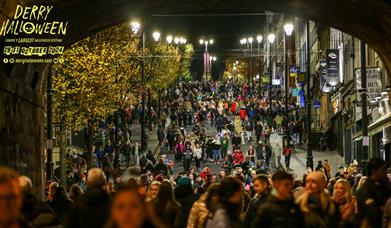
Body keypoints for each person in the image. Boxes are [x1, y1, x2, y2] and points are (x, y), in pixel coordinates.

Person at [356, 157, 391, 228]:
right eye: (383, 170)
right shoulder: (365, 189)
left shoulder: (385, 184)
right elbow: (373, 213)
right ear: (373, 171)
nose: (385, 172)